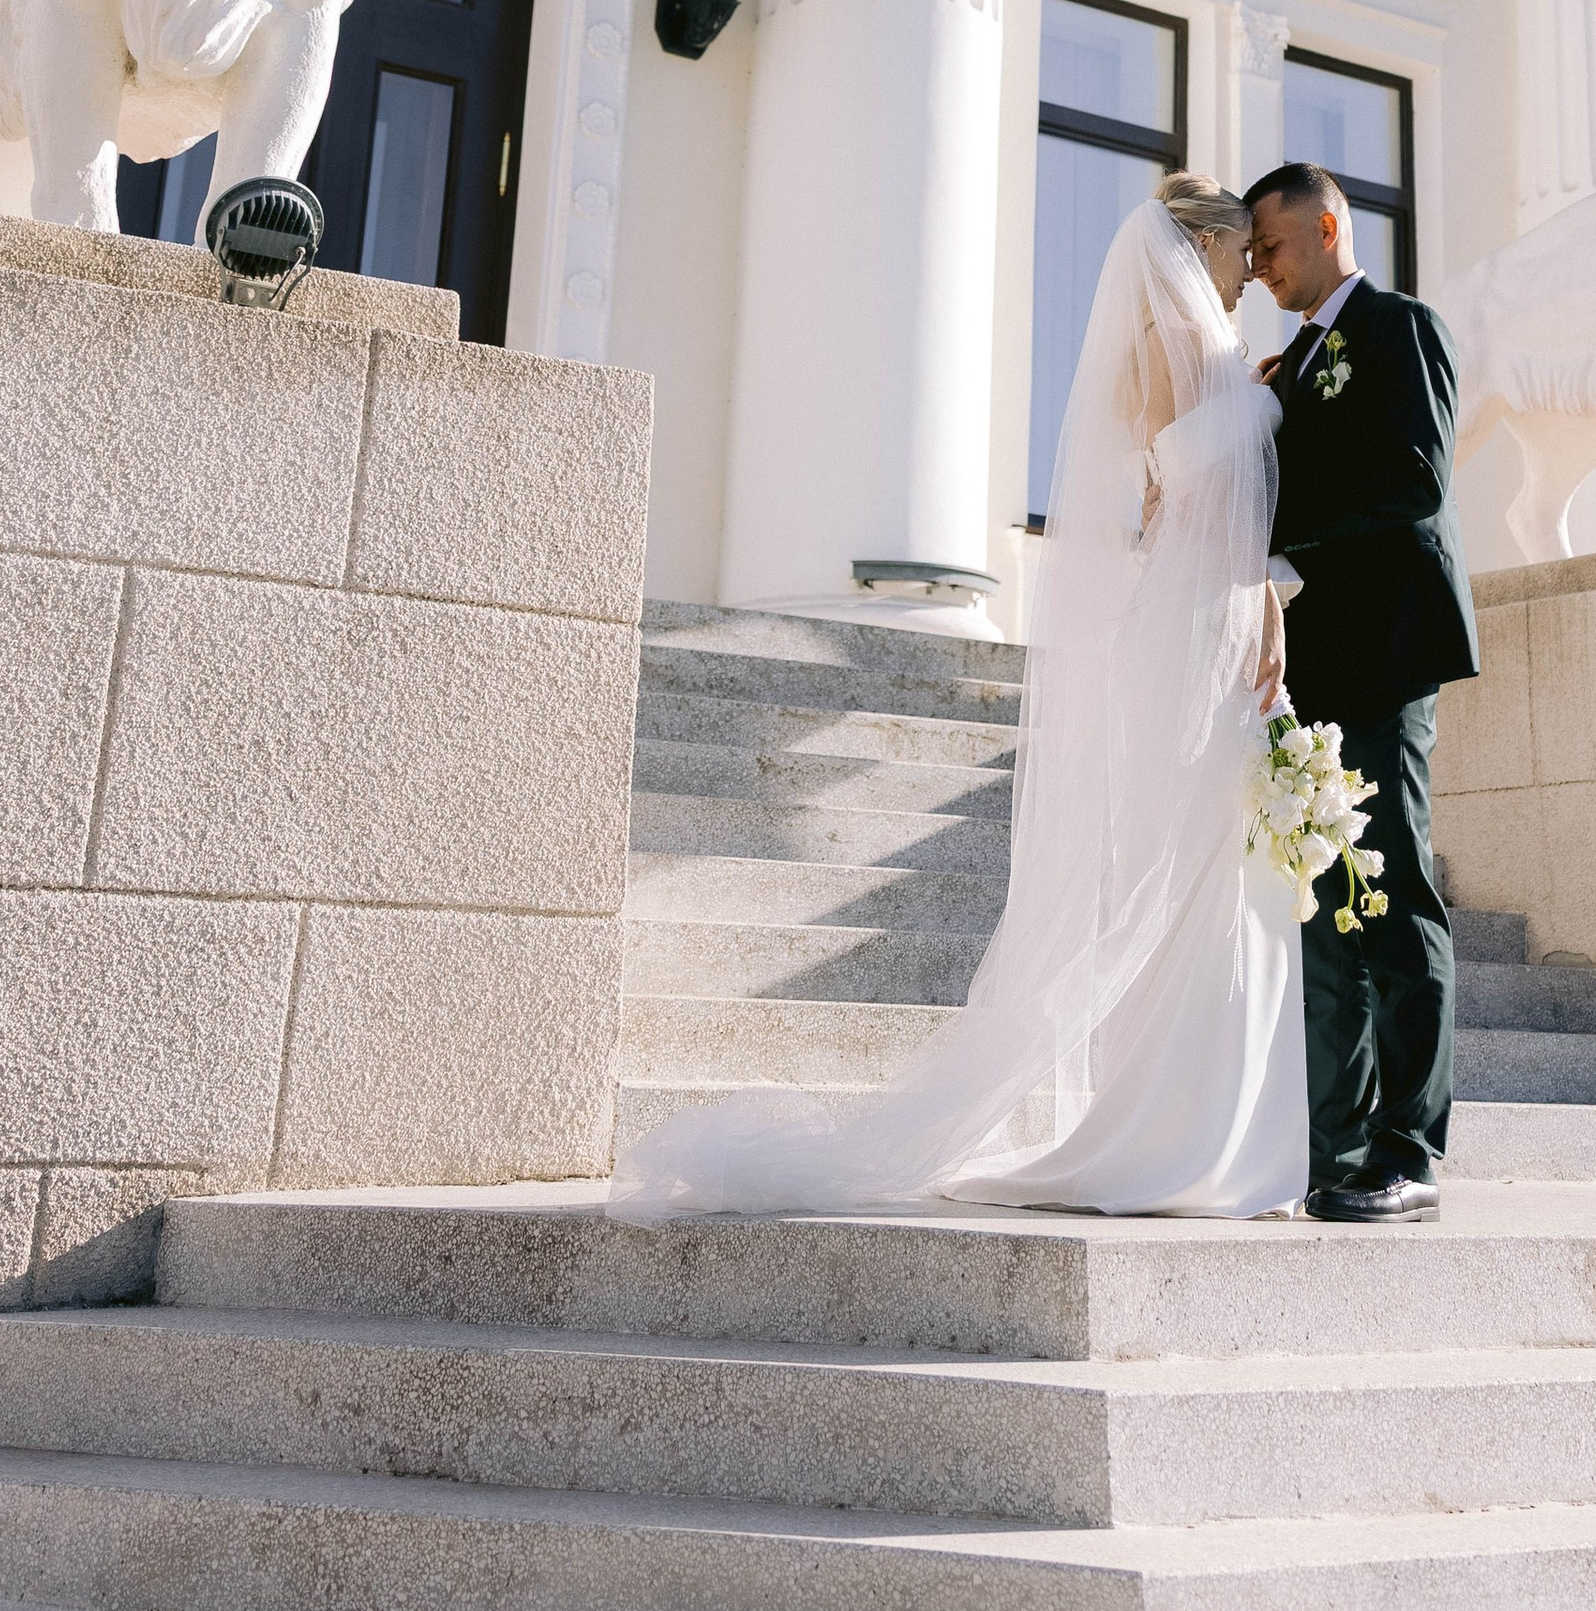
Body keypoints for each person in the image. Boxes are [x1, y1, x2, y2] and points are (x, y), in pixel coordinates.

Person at [606, 174, 1307, 1223]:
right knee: (1197, 871)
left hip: (1194, 619)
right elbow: (1208, 500)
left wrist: (1263, 596)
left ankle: (1206, 1130)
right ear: (1197, 247)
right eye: (1238, 252)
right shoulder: (1200, 354)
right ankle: (1184, 1137)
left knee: (1217, 871)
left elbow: (1174, 505)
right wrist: (1262, 564)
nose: (1250, 272)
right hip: (1199, 624)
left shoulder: (1164, 357)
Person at [1246, 161, 1478, 1226]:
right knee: (1324, 910)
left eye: (1272, 247)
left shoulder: (1398, 327)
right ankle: (1331, 1144)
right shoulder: (1287, 361)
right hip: (1312, 665)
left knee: (1393, 901)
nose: (1256, 270)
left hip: (1385, 651)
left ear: (1328, 226)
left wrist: (1285, 524)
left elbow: (1416, 477)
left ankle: (1410, 1149)